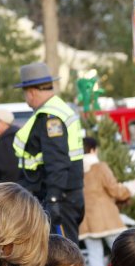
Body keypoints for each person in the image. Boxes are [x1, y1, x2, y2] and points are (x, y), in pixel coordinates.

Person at [12, 62, 85, 243]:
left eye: (24, 93)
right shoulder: (56, 110)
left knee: (65, 259)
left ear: (32, 92)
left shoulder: (49, 117)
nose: (26, 98)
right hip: (66, 194)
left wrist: (53, 199)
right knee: (62, 257)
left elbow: (57, 161)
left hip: (60, 198)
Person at [79, 136, 133, 266]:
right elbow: (114, 189)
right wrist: (129, 190)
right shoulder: (100, 167)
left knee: (94, 254)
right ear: (93, 150)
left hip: (86, 221)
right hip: (106, 219)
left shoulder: (76, 170)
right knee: (122, 249)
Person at [0, 109, 20, 183]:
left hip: (12, 189)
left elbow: (10, 171)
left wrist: (4, 190)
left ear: (1, 122)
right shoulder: (14, 137)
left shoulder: (7, 141)